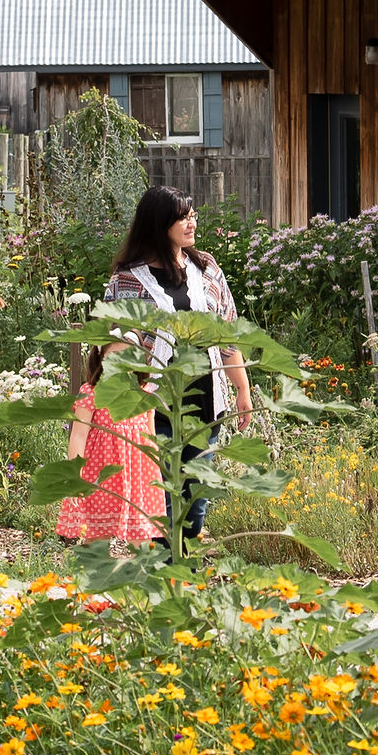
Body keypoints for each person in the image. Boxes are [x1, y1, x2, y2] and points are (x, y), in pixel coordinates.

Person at [65, 186, 254, 542]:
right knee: (162, 503)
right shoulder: (127, 280)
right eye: (182, 217)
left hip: (205, 403)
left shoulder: (207, 268)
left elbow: (228, 332)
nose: (191, 222)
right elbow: (113, 343)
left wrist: (242, 389)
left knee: (194, 511)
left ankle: (176, 571)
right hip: (155, 408)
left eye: (192, 215)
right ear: (158, 222)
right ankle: (169, 582)